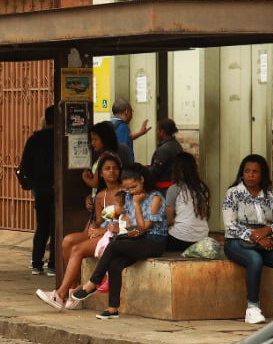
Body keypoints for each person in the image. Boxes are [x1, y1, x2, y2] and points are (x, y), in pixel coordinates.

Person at [69, 164, 167, 320]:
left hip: (154, 241)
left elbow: (144, 227)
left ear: (142, 180)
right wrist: (127, 227)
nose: (131, 192)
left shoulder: (155, 198)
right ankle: (113, 308)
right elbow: (129, 221)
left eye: (134, 187)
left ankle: (93, 283)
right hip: (135, 238)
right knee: (115, 264)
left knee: (115, 244)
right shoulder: (128, 196)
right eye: (127, 189)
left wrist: (136, 204)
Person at [36, 153, 124, 310]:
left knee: (77, 249)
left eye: (115, 168)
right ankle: (74, 287)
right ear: (101, 174)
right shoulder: (101, 196)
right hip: (102, 230)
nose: (112, 171)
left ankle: (60, 294)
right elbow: (99, 220)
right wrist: (93, 227)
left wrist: (102, 230)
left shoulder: (124, 192)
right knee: (68, 241)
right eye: (107, 168)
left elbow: (125, 219)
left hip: (116, 232)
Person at [222, 154, 273, 325]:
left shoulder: (271, 195)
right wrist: (255, 237)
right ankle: (252, 308)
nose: (250, 175)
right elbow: (230, 225)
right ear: (242, 173)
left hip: (265, 238)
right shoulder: (233, 193)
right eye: (247, 171)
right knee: (254, 259)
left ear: (262, 174)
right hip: (237, 241)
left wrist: (266, 230)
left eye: (255, 172)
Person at [19, 106, 55, 275]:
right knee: (56, 226)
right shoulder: (62, 138)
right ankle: (54, 264)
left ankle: (36, 262)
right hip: (58, 189)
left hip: (40, 189)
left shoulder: (34, 139)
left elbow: (24, 166)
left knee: (42, 226)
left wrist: (33, 182)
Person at [163, 152, 210, 253]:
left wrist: (172, 221)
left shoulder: (175, 188)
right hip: (202, 237)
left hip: (179, 239)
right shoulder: (203, 188)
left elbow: (168, 220)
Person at [80, 121, 121, 192]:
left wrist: (85, 177)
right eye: (91, 139)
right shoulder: (112, 154)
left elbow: (95, 183)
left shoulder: (104, 157)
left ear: (105, 139)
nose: (92, 143)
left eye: (95, 139)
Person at [109, 98, 148, 166]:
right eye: (131, 111)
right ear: (126, 112)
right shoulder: (122, 126)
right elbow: (124, 151)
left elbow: (126, 138)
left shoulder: (111, 124)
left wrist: (140, 133)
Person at [147, 118, 183, 190]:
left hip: (164, 189)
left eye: (157, 130)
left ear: (162, 132)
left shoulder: (164, 150)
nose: (156, 133)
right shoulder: (176, 145)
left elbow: (155, 172)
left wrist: (142, 171)